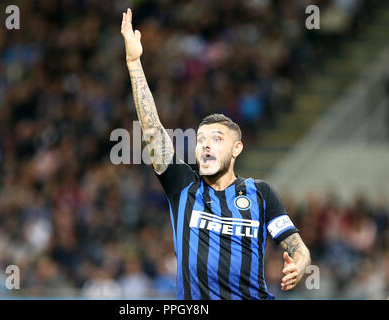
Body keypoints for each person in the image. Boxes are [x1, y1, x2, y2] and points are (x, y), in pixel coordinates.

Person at [120, 8, 311, 300]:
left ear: (237, 148)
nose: (206, 145)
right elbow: (153, 132)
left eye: (217, 139)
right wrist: (134, 63)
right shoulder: (183, 185)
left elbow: (296, 246)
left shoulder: (260, 194)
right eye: (201, 139)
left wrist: (298, 265)